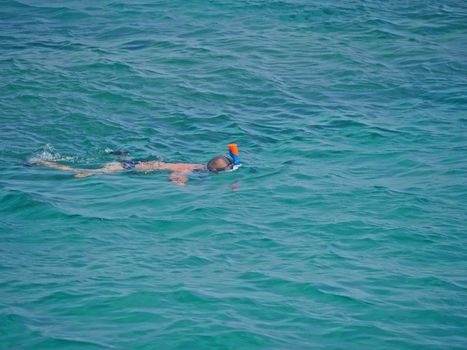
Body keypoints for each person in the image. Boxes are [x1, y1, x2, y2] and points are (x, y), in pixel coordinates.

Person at [34, 145, 240, 186]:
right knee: (86, 172)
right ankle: (42, 162)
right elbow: (175, 177)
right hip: (130, 168)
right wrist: (182, 185)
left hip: (135, 165)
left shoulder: (199, 166)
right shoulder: (189, 168)